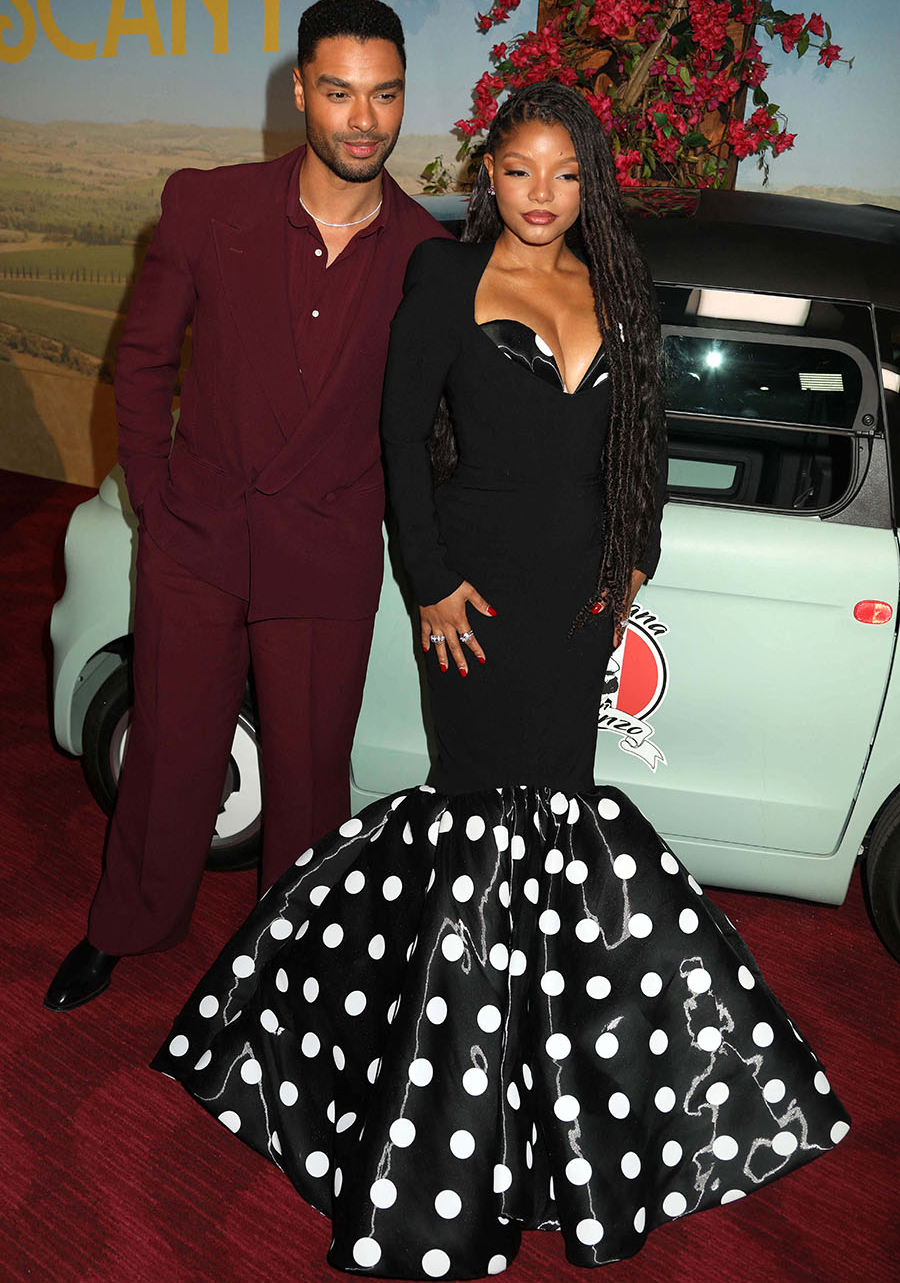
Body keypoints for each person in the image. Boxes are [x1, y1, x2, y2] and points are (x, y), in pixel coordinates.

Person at [151, 84, 849, 1279]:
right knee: (475, 813)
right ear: (491, 173)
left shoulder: (616, 284)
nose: (541, 194)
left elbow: (643, 435)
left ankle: (550, 1092)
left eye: (565, 174)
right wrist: (427, 582)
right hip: (473, 590)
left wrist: (635, 555)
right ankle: (438, 1115)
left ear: (591, 184)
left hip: (577, 594)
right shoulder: (446, 276)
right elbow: (398, 435)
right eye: (520, 169)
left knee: (560, 814)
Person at [43, 0, 447, 1013]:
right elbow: (142, 361)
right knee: (170, 748)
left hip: (326, 546)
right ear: (300, 91)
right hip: (199, 535)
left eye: (386, 94)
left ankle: (296, 959)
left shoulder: (426, 255)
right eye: (340, 92)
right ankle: (127, 925)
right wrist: (155, 494)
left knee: (309, 778)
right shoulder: (207, 206)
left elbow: (433, 420)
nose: (365, 119)